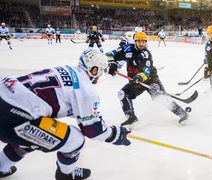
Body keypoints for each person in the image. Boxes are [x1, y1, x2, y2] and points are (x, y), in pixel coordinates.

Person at [0, 49, 131, 179]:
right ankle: (66, 174)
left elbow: (68, 104)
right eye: (101, 71)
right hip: (13, 118)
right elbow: (93, 131)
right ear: (94, 70)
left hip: (6, 97)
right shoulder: (86, 90)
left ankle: (1, 166)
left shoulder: (66, 69)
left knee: (32, 137)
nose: (100, 75)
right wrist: (115, 134)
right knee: (75, 139)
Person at [106, 31, 188, 126]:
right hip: (135, 81)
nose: (141, 44)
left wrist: (139, 77)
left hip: (150, 80)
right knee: (122, 94)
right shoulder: (127, 49)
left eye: (144, 42)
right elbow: (110, 54)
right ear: (135, 41)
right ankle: (131, 117)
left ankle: (182, 114)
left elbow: (146, 72)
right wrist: (112, 63)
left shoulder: (146, 54)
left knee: (161, 98)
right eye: (139, 41)